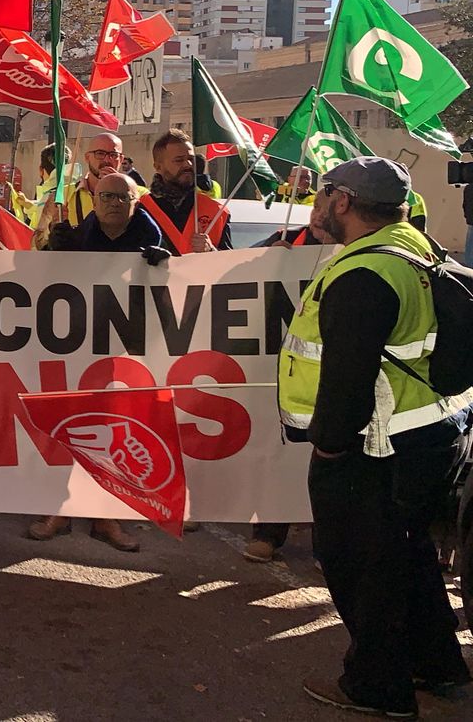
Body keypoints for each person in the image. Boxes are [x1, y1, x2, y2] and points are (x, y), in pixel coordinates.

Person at [278, 157, 473, 718]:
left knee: (361, 565)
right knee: (406, 554)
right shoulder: (412, 244)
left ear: (343, 200)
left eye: (322, 195)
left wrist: (329, 444)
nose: (316, 205)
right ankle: (439, 666)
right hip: (428, 437)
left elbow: (348, 379)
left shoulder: (364, 275)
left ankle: (378, 685)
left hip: (372, 449)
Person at [30, 174, 168, 552]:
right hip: (78, 347)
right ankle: (61, 510)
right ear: (94, 200)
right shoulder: (78, 235)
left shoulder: (151, 238)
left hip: (124, 354)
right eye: (106, 195)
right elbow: (42, 282)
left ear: (134, 203)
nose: (113, 203)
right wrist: (55, 252)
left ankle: (105, 517)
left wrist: (165, 264)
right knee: (72, 429)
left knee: (115, 434)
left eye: (122, 197)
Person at [240, 220, 339, 563]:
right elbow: (239, 268)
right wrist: (269, 258)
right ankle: (268, 533)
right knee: (280, 451)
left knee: (331, 459)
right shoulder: (286, 238)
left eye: (326, 203)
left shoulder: (355, 248)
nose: (318, 213)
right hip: (287, 373)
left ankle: (326, 546)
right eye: (316, 205)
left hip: (335, 372)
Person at [138, 129, 231, 255]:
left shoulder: (217, 211)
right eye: (179, 160)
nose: (188, 164)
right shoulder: (139, 210)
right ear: (158, 167)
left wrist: (211, 250)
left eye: (191, 159)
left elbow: (229, 263)